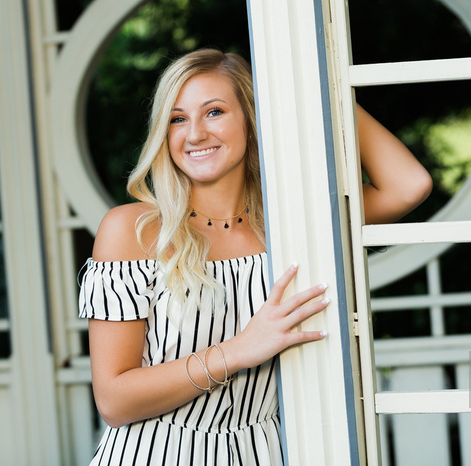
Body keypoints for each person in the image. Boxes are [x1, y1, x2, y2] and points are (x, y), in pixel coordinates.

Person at [79, 48, 431, 466]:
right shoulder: (134, 230)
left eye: (213, 112)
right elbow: (114, 400)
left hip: (263, 453)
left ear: (252, 117)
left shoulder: (292, 226)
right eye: (177, 119)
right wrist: (238, 351)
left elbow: (408, 185)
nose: (194, 134)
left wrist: (318, 84)